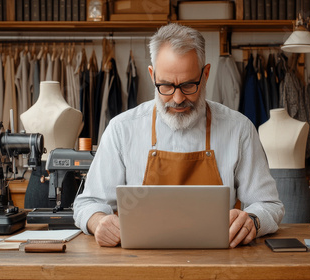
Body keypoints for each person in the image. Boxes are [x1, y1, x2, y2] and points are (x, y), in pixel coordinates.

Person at [73, 23, 284, 248]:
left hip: (219, 263)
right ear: (152, 75)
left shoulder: (239, 129)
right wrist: (98, 221)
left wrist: (252, 220)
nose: (178, 98)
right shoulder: (121, 129)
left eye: (188, 85)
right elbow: (88, 203)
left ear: (205, 74)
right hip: (140, 263)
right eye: (165, 86)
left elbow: (269, 204)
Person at [258, 108, 310, 223]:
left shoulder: (301, 126)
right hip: (268, 193)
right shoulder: (261, 128)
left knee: (300, 237)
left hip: (296, 191)